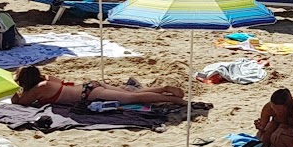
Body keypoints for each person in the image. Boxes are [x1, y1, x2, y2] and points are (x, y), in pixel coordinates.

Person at [12, 65, 185, 108]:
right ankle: (164, 88)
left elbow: (20, 103)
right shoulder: (47, 78)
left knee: (133, 98)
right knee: (134, 92)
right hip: (90, 85)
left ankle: (173, 99)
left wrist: (12, 89)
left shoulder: (40, 87)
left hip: (89, 94)